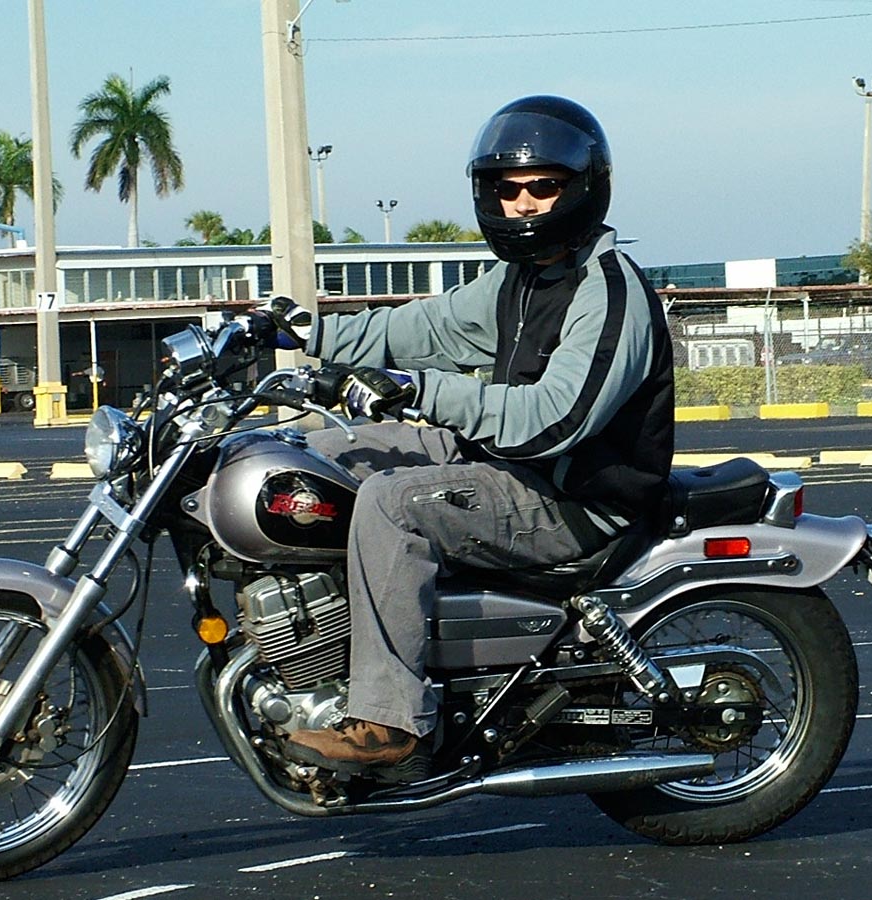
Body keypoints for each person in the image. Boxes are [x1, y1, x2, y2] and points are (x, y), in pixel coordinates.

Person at [247, 95, 674, 783]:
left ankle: (391, 722)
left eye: (543, 186)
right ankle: (317, 654)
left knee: (391, 503)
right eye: (506, 189)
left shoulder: (609, 293)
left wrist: (420, 390)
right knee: (319, 457)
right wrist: (305, 333)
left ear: (584, 187)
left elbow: (553, 419)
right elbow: (422, 328)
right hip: (508, 467)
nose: (522, 203)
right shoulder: (519, 280)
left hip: (574, 498)